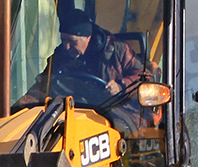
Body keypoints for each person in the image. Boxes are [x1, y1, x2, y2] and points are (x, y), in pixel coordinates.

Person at [16, 9, 145, 107]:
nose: (66, 46)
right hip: (72, 110)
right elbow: (43, 84)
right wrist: (26, 103)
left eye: (72, 41)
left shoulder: (117, 50)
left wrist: (121, 87)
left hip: (115, 108)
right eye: (63, 40)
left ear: (88, 38)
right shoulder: (60, 56)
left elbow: (145, 78)